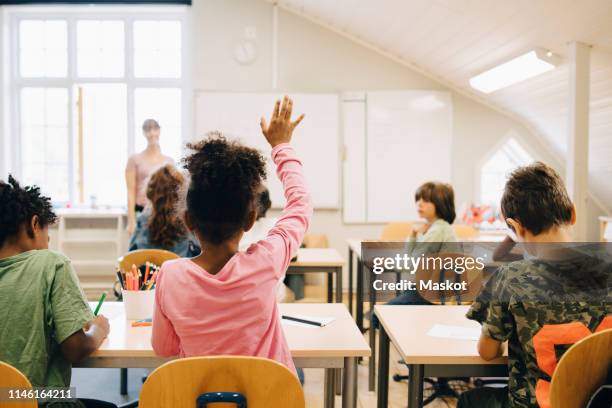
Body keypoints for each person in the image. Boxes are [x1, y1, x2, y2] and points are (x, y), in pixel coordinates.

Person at [151, 96, 310, 377]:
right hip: (267, 400)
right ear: (250, 219)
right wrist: (281, 146)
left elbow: (164, 347)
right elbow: (300, 205)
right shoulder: (266, 262)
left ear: (188, 220)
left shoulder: (170, 275)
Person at [458, 162, 612, 408]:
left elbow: (488, 352)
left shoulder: (511, 278)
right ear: (572, 213)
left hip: (537, 403)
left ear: (516, 228)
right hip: (600, 401)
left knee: (470, 400)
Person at [0, 176, 114, 408]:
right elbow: (75, 348)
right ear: (34, 224)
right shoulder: (51, 263)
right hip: (39, 401)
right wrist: (98, 329)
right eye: (47, 237)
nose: (47, 245)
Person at [129, 164, 200, 258]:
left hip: (149, 271)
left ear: (151, 193)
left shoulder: (143, 219)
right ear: (179, 192)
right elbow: (198, 252)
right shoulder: (185, 219)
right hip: (178, 272)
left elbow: (131, 253)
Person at [126, 119, 174, 235]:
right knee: (141, 249)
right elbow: (130, 192)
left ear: (160, 131)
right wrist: (131, 221)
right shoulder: (134, 159)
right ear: (143, 133)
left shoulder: (169, 161)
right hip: (141, 211)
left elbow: (172, 193)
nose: (152, 133)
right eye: (148, 129)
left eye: (155, 129)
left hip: (163, 213)